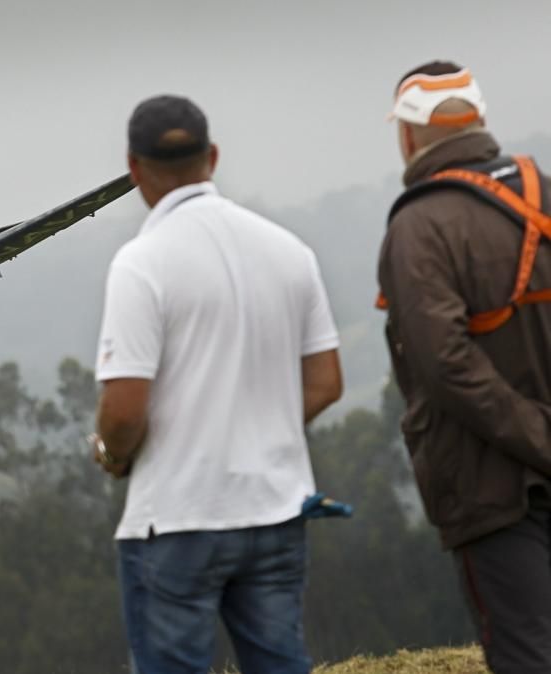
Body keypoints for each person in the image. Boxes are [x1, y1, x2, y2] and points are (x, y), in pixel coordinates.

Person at [90, 95, 343, 674]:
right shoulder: (291, 250)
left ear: (134, 169)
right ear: (214, 156)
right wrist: (260, 424)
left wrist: (109, 451)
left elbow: (124, 412)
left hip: (179, 517)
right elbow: (326, 382)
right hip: (277, 508)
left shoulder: (141, 262)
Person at [377, 61, 551, 673]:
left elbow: (444, 364)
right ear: (479, 118)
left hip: (492, 488)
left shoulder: (418, 225)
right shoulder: (544, 191)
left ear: (406, 135)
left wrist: (538, 438)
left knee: (527, 655)